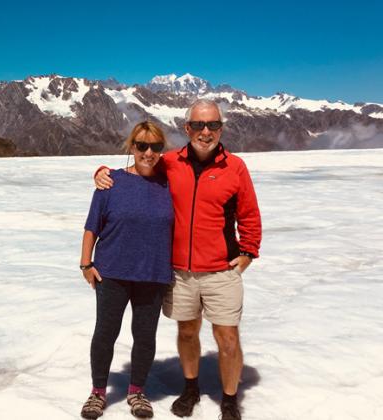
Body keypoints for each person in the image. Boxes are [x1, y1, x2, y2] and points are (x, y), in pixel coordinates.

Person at [95, 99, 262, 420]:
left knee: (227, 337)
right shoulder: (170, 162)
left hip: (221, 269)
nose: (205, 131)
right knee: (187, 332)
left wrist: (248, 253)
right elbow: (137, 167)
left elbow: (249, 214)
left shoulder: (235, 167)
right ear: (187, 128)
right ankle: (190, 389)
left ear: (221, 128)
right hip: (180, 271)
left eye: (212, 125)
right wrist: (102, 172)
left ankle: (229, 399)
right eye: (198, 125)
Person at [80, 121, 174, 419]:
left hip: (153, 272)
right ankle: (97, 393)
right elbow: (92, 226)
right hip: (112, 272)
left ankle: (136, 391)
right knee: (105, 333)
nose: (148, 152)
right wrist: (86, 262)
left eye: (156, 147)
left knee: (145, 336)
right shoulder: (111, 183)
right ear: (131, 147)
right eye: (142, 146)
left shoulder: (170, 183)